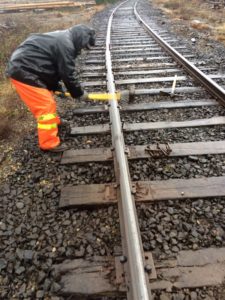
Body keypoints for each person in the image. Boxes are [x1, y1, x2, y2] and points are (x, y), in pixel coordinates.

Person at [6, 24, 95, 152]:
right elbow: (67, 74)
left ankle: (54, 122)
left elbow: (51, 68)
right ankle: (48, 144)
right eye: (83, 45)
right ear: (80, 38)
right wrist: (79, 93)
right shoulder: (66, 44)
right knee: (45, 105)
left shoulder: (64, 38)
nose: (81, 49)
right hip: (24, 70)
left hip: (29, 68)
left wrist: (57, 88)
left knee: (48, 97)